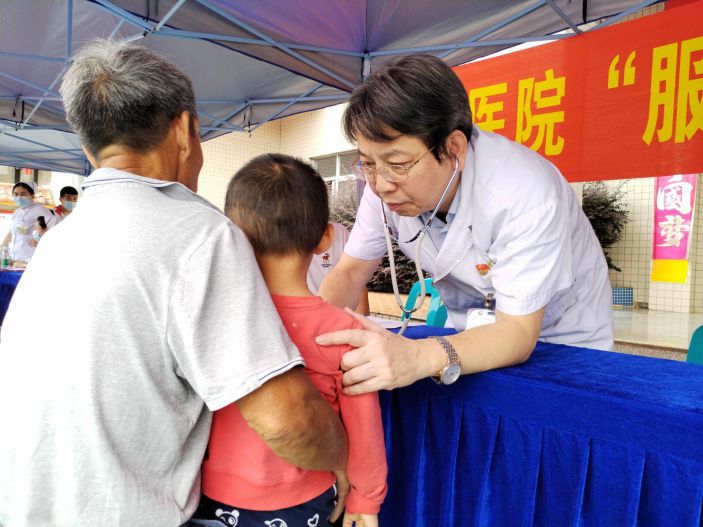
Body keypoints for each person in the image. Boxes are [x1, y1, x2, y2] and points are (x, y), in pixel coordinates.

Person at [0, 40, 348, 527]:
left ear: (89, 149)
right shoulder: (198, 234)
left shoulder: (58, 240)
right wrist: (344, 458)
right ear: (185, 130)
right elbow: (286, 422)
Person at [317, 54, 613, 395]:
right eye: (367, 164)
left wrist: (417, 356)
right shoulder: (383, 187)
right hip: (473, 338)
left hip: (561, 341)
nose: (381, 184)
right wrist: (314, 333)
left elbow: (517, 332)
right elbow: (350, 272)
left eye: (398, 164)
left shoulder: (524, 194)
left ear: (453, 148)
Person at [191, 154, 386, 527]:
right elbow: (366, 432)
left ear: (233, 236)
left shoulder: (212, 317)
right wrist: (366, 499)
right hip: (308, 503)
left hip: (213, 496)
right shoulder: (346, 332)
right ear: (325, 238)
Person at [308, 221, 371, 315]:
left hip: (342, 313)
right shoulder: (290, 240)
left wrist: (361, 320)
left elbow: (357, 283)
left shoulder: (341, 233)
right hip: (310, 313)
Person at [1, 181, 56, 262]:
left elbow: (52, 227)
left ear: (32, 196)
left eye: (23, 194)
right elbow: (10, 234)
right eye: (16, 194)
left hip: (30, 258)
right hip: (14, 258)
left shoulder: (39, 209)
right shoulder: (17, 212)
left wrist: (38, 240)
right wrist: (2, 250)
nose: (19, 197)